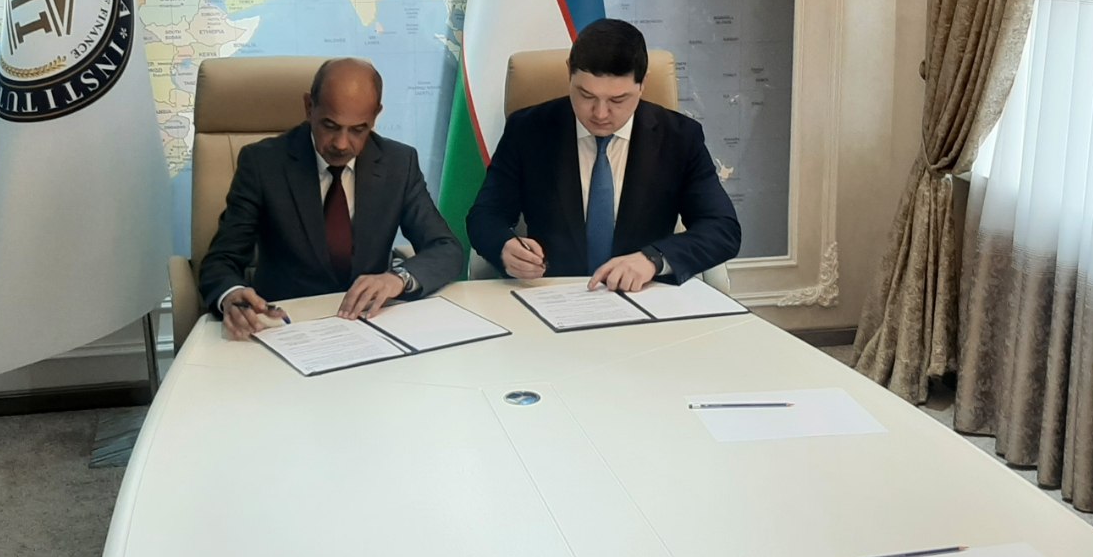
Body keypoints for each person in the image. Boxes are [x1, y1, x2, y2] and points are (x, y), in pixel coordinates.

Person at [466, 19, 740, 292]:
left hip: (644, 294)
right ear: (569, 73)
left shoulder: (679, 138)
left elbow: (722, 228)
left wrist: (654, 259)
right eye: (586, 95)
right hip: (553, 292)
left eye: (617, 100)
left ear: (643, 84)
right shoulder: (528, 130)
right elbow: (486, 215)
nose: (599, 113)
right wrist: (505, 247)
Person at [200, 57, 463, 338]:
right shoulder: (263, 164)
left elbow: (446, 249)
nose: (341, 144)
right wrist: (231, 293)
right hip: (286, 327)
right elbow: (221, 260)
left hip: (369, 325)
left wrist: (398, 280)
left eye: (358, 129)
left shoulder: (399, 164)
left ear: (376, 115)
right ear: (309, 107)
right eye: (330, 125)